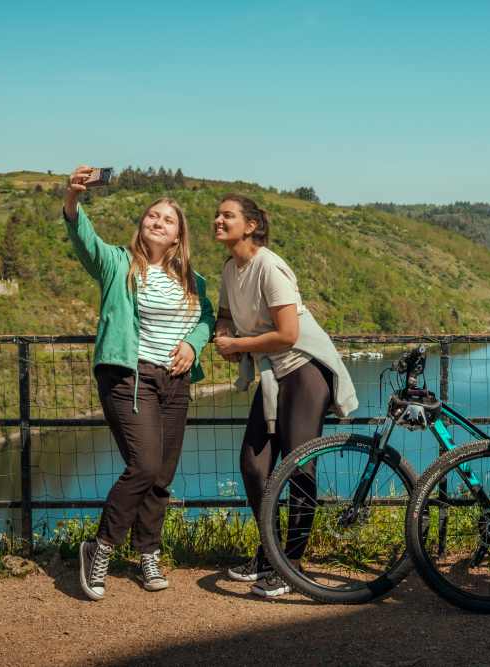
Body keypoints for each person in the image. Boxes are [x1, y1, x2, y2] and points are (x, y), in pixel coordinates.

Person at [63, 165, 215, 601]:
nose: (157, 221)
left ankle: (148, 552)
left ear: (177, 236)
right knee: (144, 465)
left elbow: (205, 319)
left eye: (167, 220)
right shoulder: (118, 263)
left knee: (161, 475)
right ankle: (101, 547)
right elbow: (83, 240)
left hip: (175, 382)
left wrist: (193, 344)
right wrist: (73, 198)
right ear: (142, 225)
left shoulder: (192, 280)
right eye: (153, 215)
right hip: (130, 377)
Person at [212, 194, 357, 598]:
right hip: (274, 374)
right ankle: (269, 550)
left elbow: (288, 334)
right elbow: (226, 312)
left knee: (298, 468)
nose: (218, 220)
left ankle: (290, 564)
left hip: (305, 371)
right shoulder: (230, 268)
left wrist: (237, 348)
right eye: (218, 214)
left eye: (228, 215)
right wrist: (224, 331)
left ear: (252, 225)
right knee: (254, 465)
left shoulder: (269, 266)